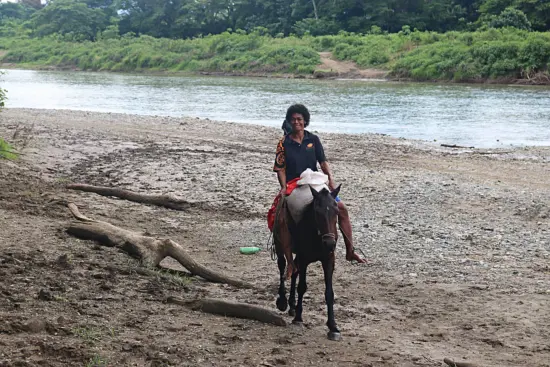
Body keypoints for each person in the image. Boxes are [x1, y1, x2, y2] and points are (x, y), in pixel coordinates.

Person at [270, 104, 366, 269]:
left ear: (305, 121)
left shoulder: (313, 140)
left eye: (299, 119)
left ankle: (350, 250)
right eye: (293, 119)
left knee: (341, 208)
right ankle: (290, 262)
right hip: (295, 184)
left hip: (315, 181)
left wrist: (331, 181)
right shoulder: (283, 143)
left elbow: (323, 162)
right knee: (282, 218)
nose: (296, 122)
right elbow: (280, 169)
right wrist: (284, 187)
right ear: (288, 122)